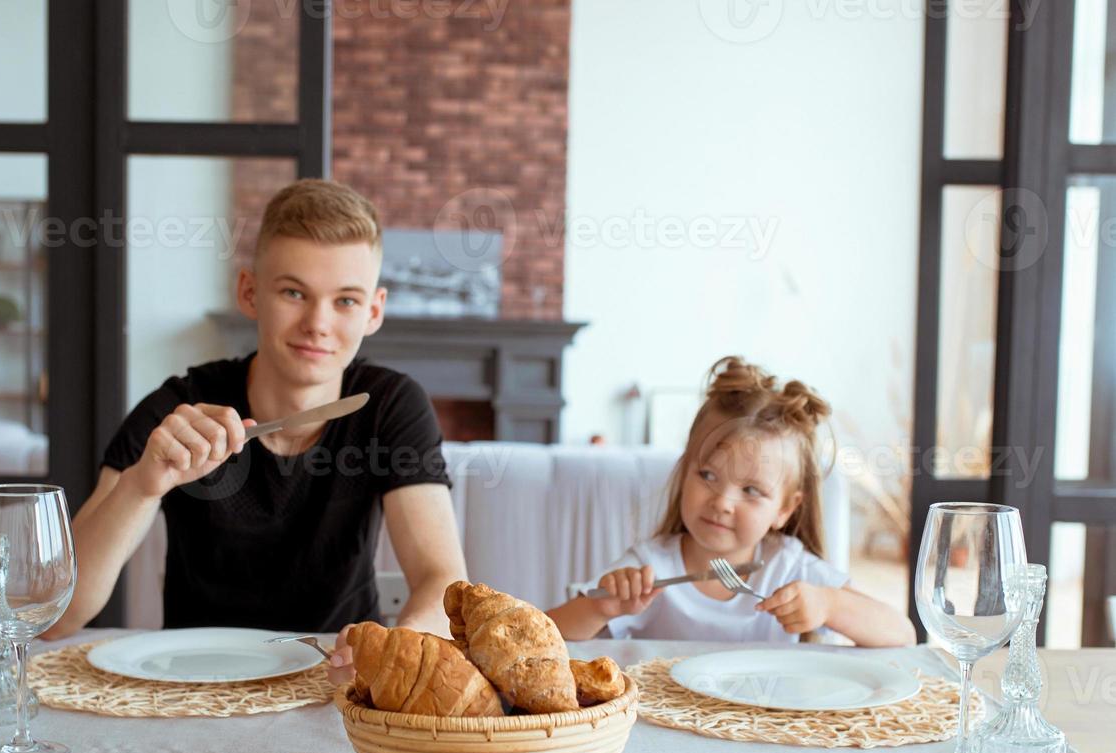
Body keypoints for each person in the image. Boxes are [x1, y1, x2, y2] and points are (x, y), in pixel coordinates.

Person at [44, 179, 467, 662]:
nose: (318, 323)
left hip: (333, 680)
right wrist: (142, 484)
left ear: (373, 311)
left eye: (345, 301)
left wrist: (395, 643)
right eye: (293, 292)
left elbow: (443, 583)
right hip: (195, 682)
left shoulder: (391, 404)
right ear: (249, 292)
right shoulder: (180, 409)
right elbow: (59, 617)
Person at [546, 356, 916, 647]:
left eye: (751, 491)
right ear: (684, 470)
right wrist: (600, 607)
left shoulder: (787, 567)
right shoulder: (651, 566)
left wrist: (830, 606)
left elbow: (902, 635)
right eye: (707, 476)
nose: (722, 502)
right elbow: (548, 637)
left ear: (785, 509)